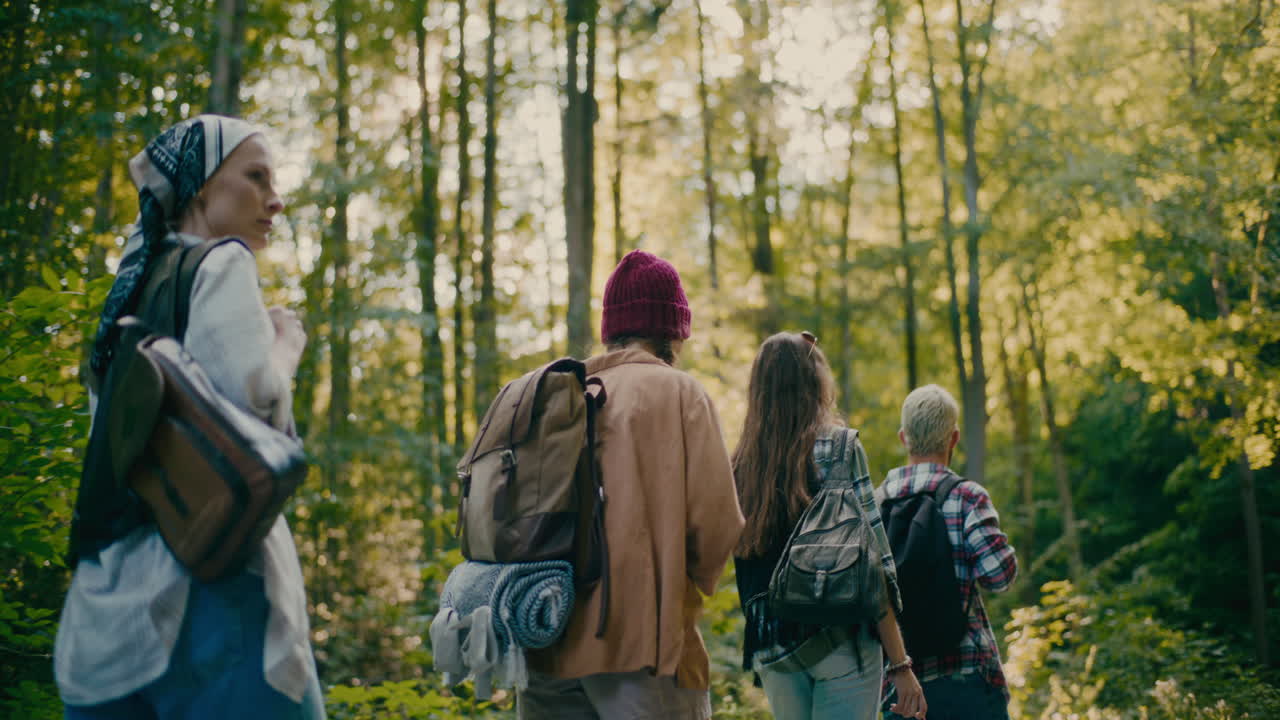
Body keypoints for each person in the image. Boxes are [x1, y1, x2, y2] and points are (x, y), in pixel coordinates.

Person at [54, 115, 325, 719]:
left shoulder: (122, 304)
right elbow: (257, 406)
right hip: (210, 596)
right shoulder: (221, 263)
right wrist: (285, 342)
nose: (275, 201)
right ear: (201, 187)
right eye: (255, 177)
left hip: (103, 619)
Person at [520, 249, 745, 720]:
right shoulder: (680, 394)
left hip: (543, 634)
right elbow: (719, 523)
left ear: (611, 326)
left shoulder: (556, 394)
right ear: (672, 329)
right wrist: (683, 590)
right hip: (644, 649)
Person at [732, 331, 927, 720]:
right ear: (814, 381)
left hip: (773, 647)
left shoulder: (740, 465)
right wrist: (900, 664)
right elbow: (876, 563)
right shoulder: (839, 449)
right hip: (843, 640)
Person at [879, 384, 1018, 720]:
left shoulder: (875, 502)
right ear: (954, 438)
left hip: (901, 687)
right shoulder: (967, 497)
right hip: (967, 674)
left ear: (903, 438)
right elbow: (999, 576)